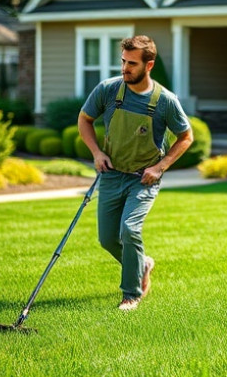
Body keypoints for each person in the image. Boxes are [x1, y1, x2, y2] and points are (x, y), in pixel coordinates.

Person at [77, 35, 193, 311]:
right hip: (112, 174)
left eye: (131, 64)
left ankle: (131, 295)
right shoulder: (108, 90)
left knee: (130, 228)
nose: (124, 68)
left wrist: (159, 167)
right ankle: (143, 264)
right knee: (107, 239)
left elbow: (186, 137)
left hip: (143, 178)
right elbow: (85, 120)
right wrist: (97, 152)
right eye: (123, 62)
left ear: (148, 65)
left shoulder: (165, 101)